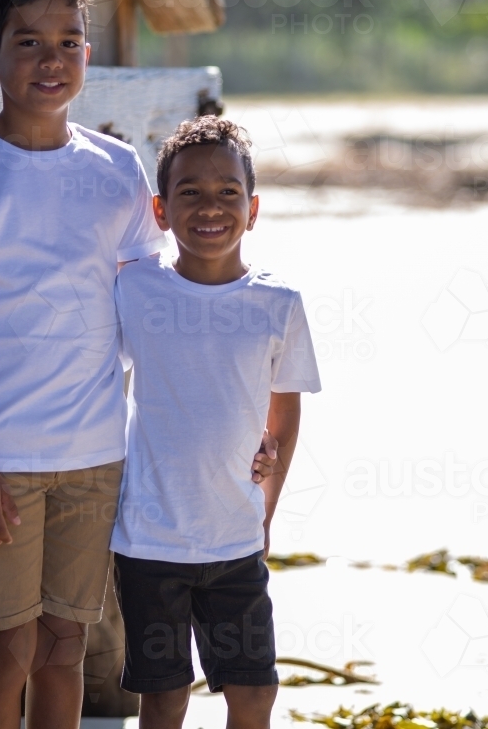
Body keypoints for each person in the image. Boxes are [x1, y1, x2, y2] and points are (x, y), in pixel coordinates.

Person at [0, 0, 274, 729]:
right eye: (28, 42)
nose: (51, 60)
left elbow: (160, 311)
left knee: (62, 647)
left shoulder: (116, 170)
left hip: (93, 456)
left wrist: (241, 430)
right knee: (2, 651)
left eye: (69, 42)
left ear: (86, 55)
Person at [111, 116, 322, 729]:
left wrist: (265, 514)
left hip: (234, 540)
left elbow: (284, 412)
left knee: (254, 694)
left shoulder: (278, 304)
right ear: (160, 208)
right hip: (149, 542)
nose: (211, 207)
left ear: (253, 208)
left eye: (228, 192)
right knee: (165, 697)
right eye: (190, 193)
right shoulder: (137, 289)